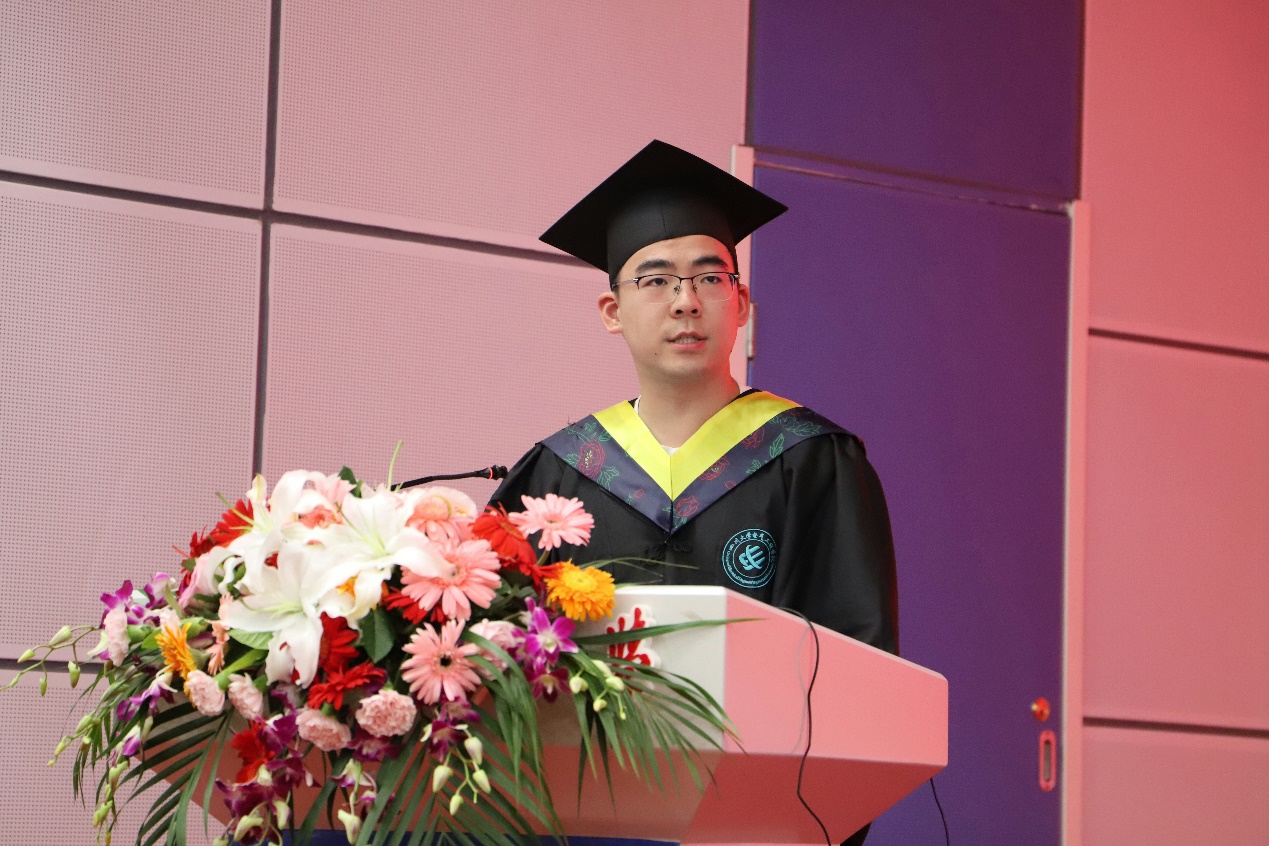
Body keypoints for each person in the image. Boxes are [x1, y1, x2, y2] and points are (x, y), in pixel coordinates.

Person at [490, 138, 895, 846]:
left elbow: (857, 665)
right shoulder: (558, 472)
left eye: (710, 278)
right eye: (656, 280)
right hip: (577, 823)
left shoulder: (811, 461)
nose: (686, 302)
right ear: (611, 310)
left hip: (756, 825)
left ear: (742, 303)